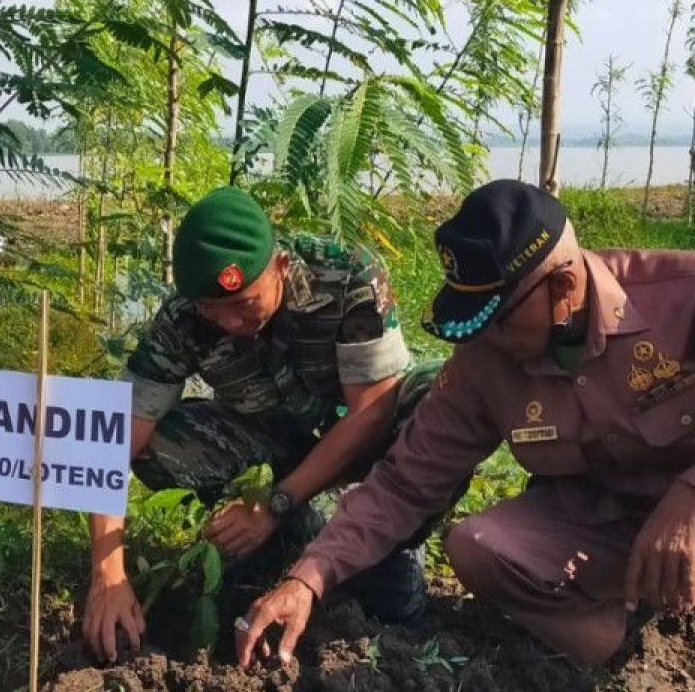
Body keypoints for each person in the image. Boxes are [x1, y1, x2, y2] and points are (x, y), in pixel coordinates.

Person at [237, 179, 695, 669]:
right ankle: (624, 652)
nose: (488, 339)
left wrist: (689, 496)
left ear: (562, 288)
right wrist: (308, 578)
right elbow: (404, 482)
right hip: (600, 522)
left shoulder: (678, 298)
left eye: (499, 320)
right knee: (478, 547)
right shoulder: (486, 358)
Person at [83, 186, 444, 662]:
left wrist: (274, 503)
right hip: (272, 444)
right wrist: (108, 573)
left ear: (279, 265)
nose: (230, 322)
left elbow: (371, 413)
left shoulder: (347, 274)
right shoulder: (183, 317)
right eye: (213, 311)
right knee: (159, 444)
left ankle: (386, 539)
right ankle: (288, 535)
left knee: (435, 400)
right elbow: (115, 435)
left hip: (363, 453)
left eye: (244, 304)